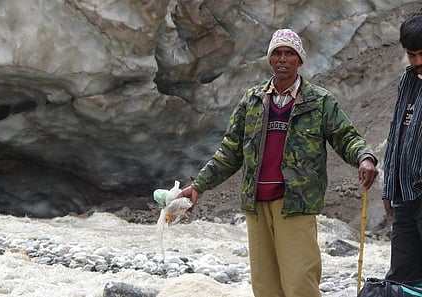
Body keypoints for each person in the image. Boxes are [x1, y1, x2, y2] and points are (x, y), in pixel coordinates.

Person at [179, 28, 378, 297]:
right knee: (265, 286)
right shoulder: (252, 101)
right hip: (256, 204)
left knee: (299, 283)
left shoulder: (319, 101)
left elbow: (346, 136)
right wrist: (199, 186)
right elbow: (230, 151)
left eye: (290, 53)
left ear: (300, 60)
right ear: (270, 59)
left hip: (295, 203)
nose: (283, 59)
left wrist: (364, 158)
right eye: (277, 53)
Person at [383, 12, 422, 284]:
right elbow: (396, 134)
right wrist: (389, 188)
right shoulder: (407, 81)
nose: (418, 62)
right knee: (400, 281)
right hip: (405, 198)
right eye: (412, 55)